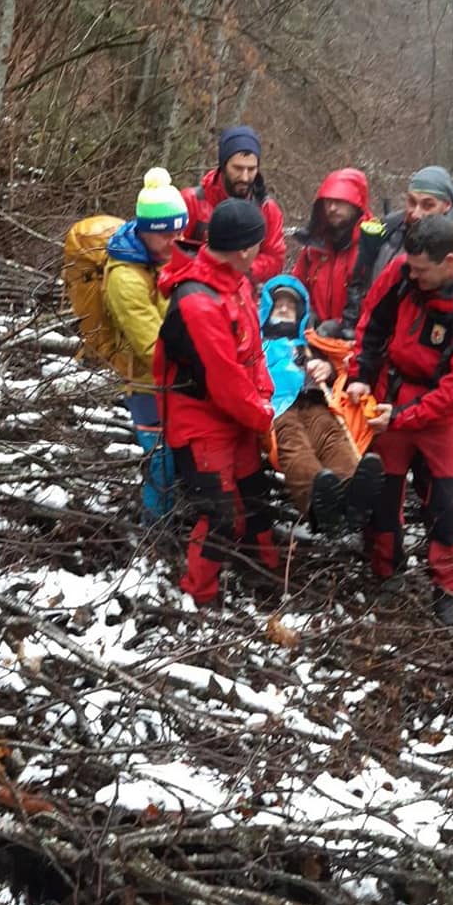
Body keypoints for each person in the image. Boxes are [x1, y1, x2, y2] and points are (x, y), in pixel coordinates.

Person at [347, 215, 453, 627]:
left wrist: (403, 417)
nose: (411, 274)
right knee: (384, 489)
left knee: (448, 502)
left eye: (421, 270)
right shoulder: (401, 275)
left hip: (442, 413)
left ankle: (448, 585)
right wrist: (361, 377)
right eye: (409, 267)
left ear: (449, 261)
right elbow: (371, 325)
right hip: (392, 391)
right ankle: (384, 567)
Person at [154, 198, 279, 605]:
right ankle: (199, 595)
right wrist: (262, 416)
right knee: (219, 516)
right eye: (259, 244)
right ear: (245, 249)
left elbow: (253, 351)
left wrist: (264, 396)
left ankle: (269, 572)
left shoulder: (238, 282)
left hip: (237, 413)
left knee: (256, 496)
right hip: (200, 422)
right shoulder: (197, 300)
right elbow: (224, 377)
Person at [260, 276, 383, 529]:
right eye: (278, 304)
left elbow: (339, 368)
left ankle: (352, 494)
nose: (284, 308)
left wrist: (327, 367)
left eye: (291, 305)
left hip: (315, 401)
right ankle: (317, 503)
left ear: (301, 313)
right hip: (279, 408)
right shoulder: (258, 344)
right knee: (294, 445)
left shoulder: (311, 343)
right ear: (266, 308)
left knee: (332, 436)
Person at [104, 167, 188, 519]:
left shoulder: (159, 258)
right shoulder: (126, 278)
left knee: (175, 454)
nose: (176, 240)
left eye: (180, 230)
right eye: (166, 234)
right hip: (145, 382)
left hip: (171, 378)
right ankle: (154, 533)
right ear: (146, 230)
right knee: (162, 459)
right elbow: (153, 347)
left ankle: (168, 517)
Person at [180, 125, 285, 286]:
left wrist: (241, 268)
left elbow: (275, 259)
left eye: (251, 169)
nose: (244, 177)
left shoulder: (267, 209)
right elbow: (171, 250)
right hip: (195, 289)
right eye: (237, 168)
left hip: (242, 294)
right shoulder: (191, 201)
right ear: (223, 165)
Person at [291, 168, 377, 340]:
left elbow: (377, 305)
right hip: (314, 339)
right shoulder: (315, 245)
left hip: (354, 343)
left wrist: (341, 326)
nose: (332, 208)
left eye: (340, 201)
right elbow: (297, 285)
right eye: (328, 201)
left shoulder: (373, 245)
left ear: (356, 204)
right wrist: (305, 311)